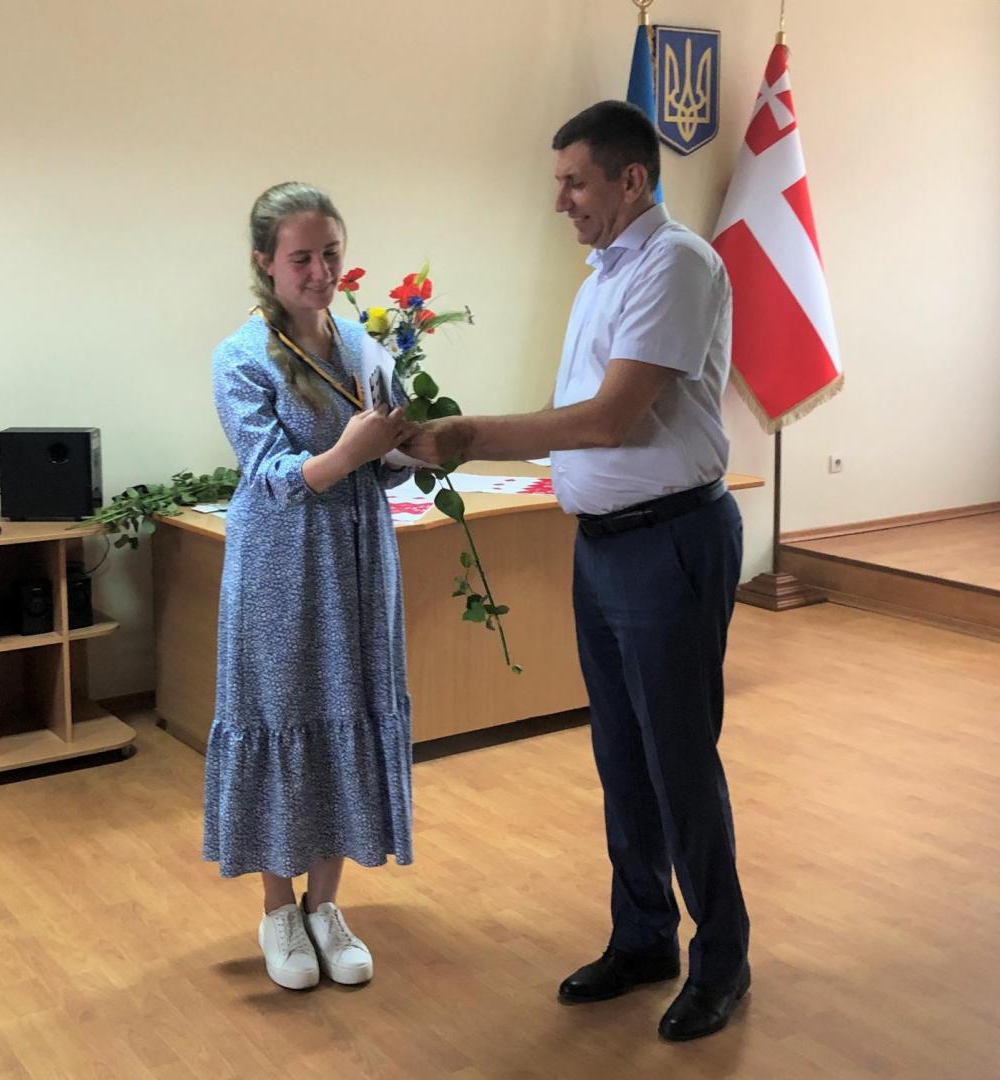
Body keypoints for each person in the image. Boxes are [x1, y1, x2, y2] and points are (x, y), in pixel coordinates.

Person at [404, 101, 749, 1041]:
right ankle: (643, 937)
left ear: (632, 179)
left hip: (669, 540)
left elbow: (608, 420)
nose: (560, 201)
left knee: (678, 757)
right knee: (622, 754)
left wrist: (468, 434)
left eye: (574, 182)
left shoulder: (676, 264)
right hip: (604, 545)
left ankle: (723, 958)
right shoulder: (605, 273)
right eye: (558, 182)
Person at [204, 181, 416, 991]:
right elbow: (269, 475)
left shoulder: (362, 345)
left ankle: (325, 905)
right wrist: (352, 451)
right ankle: (277, 911)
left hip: (359, 555)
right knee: (283, 714)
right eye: (302, 258)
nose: (321, 272)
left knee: (347, 708)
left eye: (331, 253)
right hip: (282, 565)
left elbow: (386, 459)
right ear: (265, 262)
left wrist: (409, 446)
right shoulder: (240, 357)